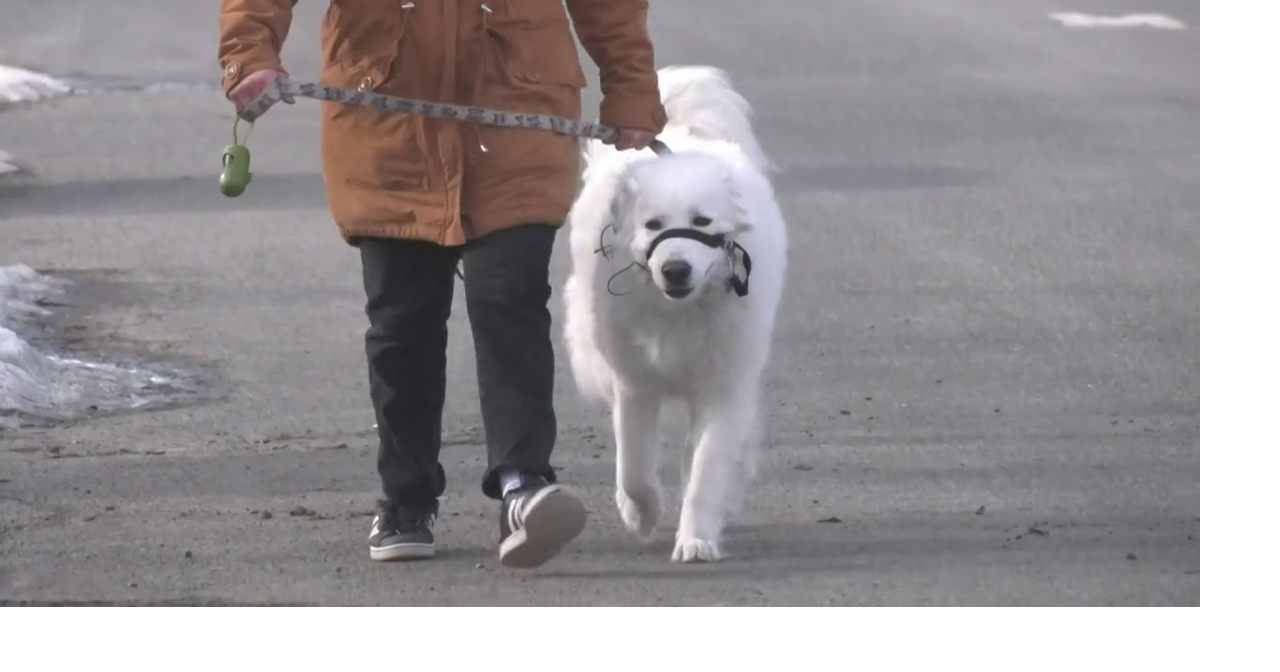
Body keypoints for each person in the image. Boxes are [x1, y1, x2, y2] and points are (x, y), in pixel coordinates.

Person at [218, 0, 668, 568]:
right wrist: (249, 53)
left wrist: (630, 91)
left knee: (510, 297)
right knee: (402, 322)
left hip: (518, 115)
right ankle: (406, 498)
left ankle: (522, 485)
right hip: (385, 127)